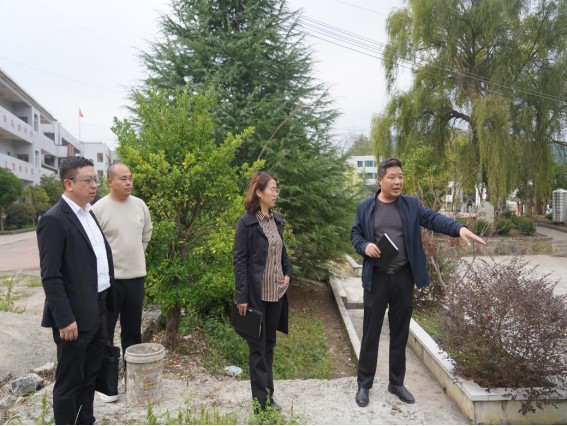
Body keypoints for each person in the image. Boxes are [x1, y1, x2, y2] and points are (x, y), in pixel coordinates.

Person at [351, 157, 486, 407]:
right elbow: (355, 234)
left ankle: (396, 383)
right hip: (377, 278)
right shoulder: (365, 207)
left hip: (403, 277)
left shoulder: (411, 205)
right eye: (392, 177)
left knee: (400, 333)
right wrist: (365, 246)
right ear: (380, 180)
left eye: (400, 177)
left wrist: (459, 229)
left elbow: (433, 219)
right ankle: (364, 384)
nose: (398, 181)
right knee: (370, 333)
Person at [37, 156, 115, 424]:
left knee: (91, 375)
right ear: (68, 184)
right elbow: (50, 275)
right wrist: (64, 319)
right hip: (74, 318)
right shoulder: (54, 220)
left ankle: (86, 420)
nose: (94, 185)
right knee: (69, 382)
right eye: (88, 180)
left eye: (96, 180)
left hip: (98, 309)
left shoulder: (88, 213)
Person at [92, 162, 153, 401]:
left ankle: (133, 380)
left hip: (136, 278)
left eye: (130, 178)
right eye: (123, 179)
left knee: (132, 331)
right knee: (105, 332)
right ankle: (106, 386)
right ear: (110, 181)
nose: (128, 183)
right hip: (109, 282)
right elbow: (93, 245)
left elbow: (146, 232)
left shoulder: (139, 205)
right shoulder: (99, 209)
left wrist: (138, 253)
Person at [233, 171, 292, 412]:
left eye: (277, 189)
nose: (276, 193)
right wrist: (242, 296)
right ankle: (260, 405)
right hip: (256, 297)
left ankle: (269, 397)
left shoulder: (277, 221)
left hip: (276, 294)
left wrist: (288, 272)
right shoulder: (246, 223)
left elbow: (282, 252)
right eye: (272, 189)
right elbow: (240, 261)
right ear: (259, 192)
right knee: (257, 349)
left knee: (269, 345)